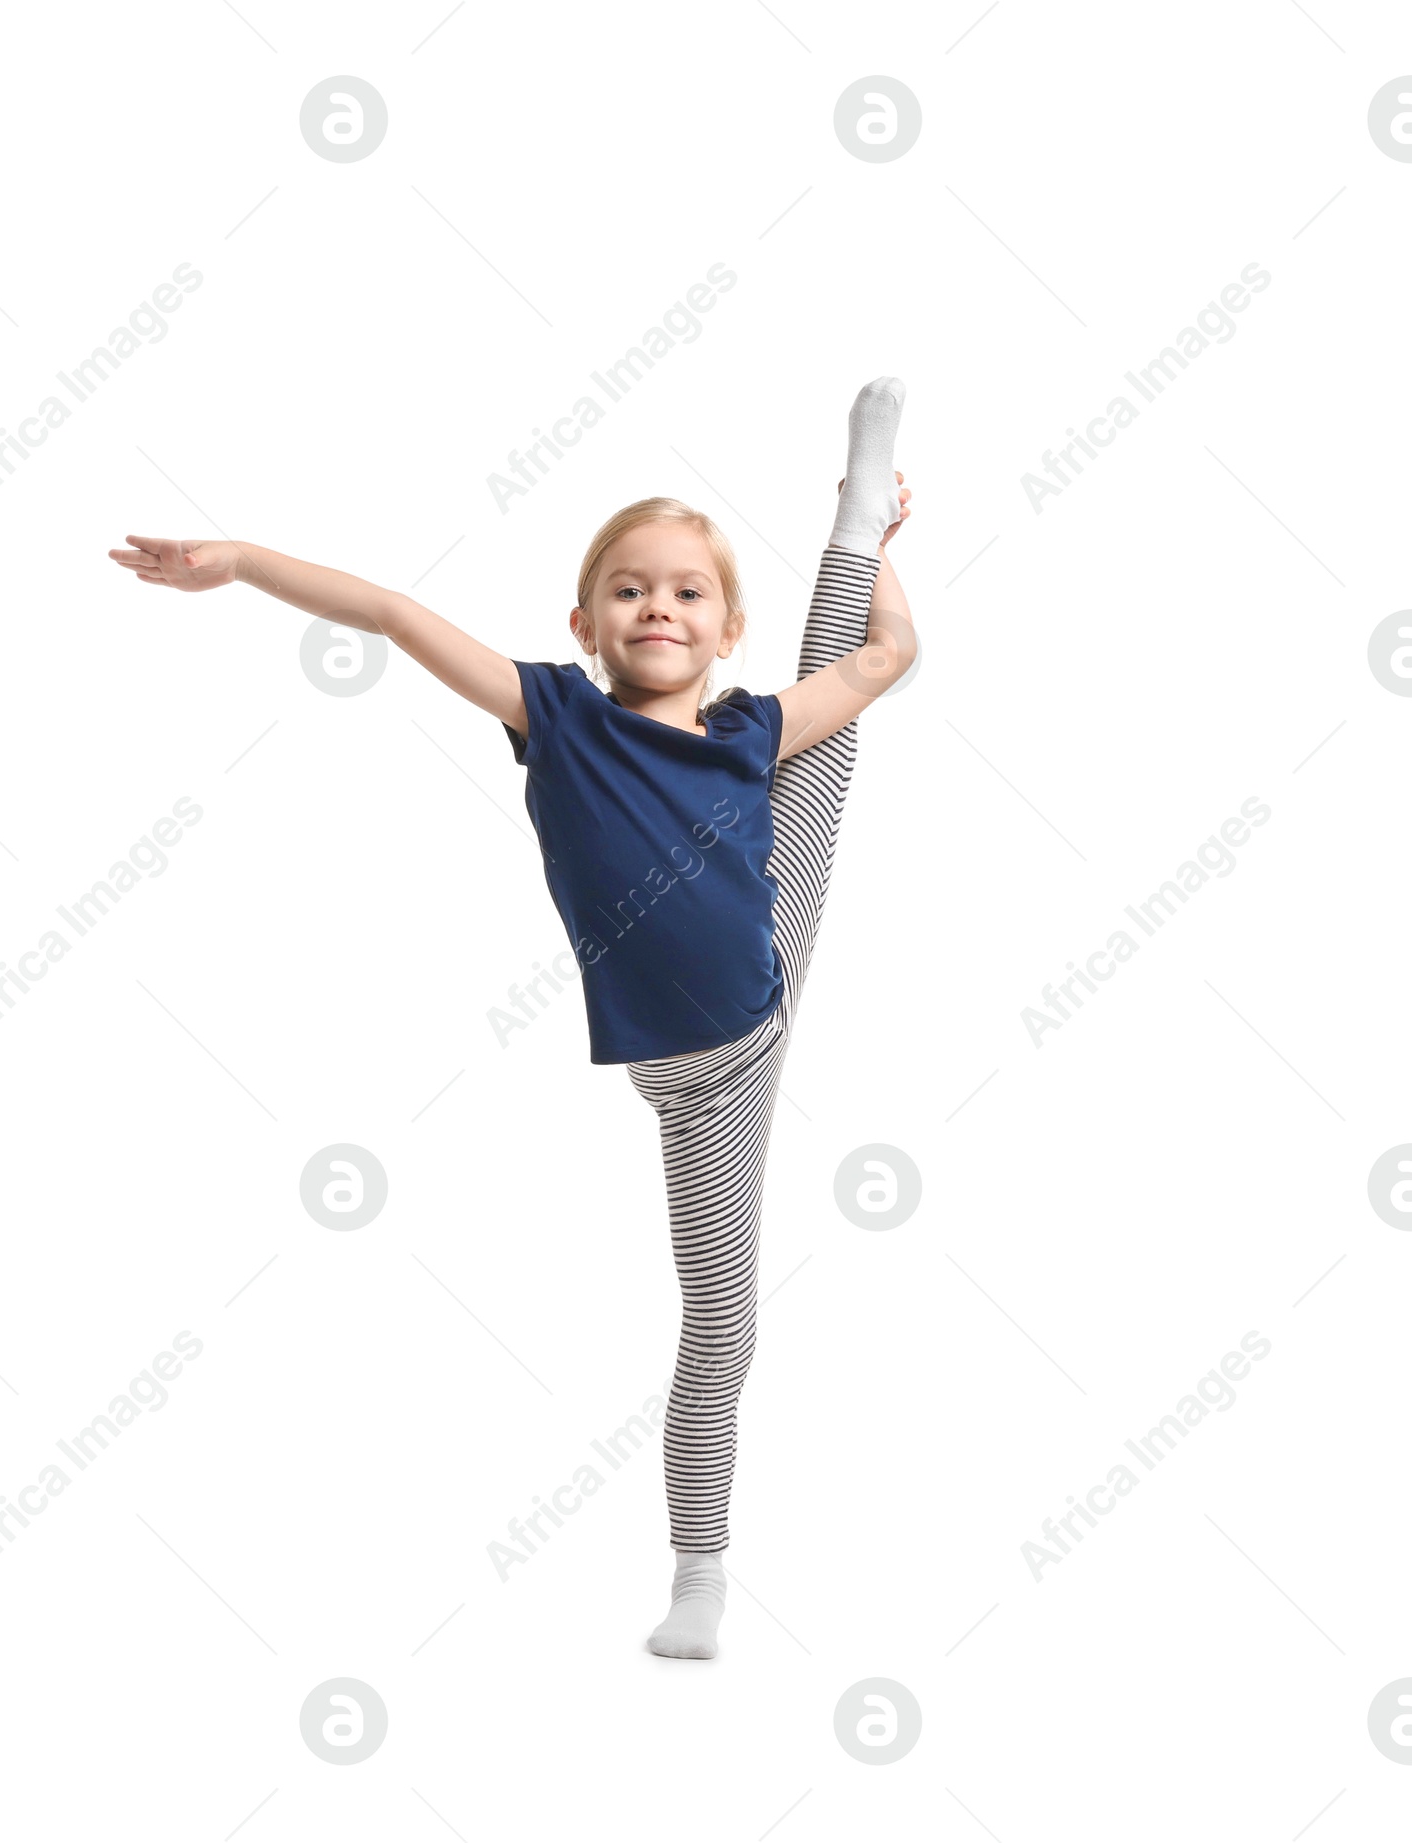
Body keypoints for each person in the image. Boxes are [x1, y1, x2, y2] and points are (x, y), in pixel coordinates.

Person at [108, 377, 916, 1660]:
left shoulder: (746, 726)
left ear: (724, 629)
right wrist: (245, 562)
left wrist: (879, 561)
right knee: (720, 1310)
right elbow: (386, 611)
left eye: (688, 592)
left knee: (838, 735)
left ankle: (854, 513)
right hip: (695, 1079)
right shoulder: (558, 716)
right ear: (587, 621)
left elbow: (886, 662)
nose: (660, 605)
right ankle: (701, 1559)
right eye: (633, 588)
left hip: (762, 974)